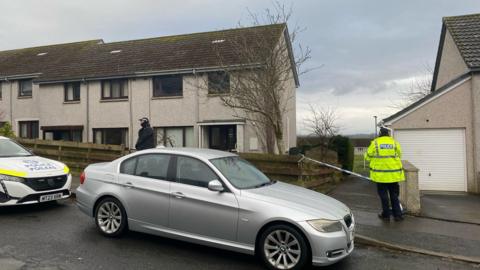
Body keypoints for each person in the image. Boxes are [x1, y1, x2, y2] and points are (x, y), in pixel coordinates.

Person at [364, 127, 405, 221]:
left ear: (380, 134)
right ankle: (398, 215)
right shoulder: (394, 143)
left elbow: (367, 157)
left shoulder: (375, 143)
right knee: (394, 195)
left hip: (380, 176)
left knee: (384, 196)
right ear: (388, 134)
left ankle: (386, 215)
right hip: (394, 176)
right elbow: (399, 155)